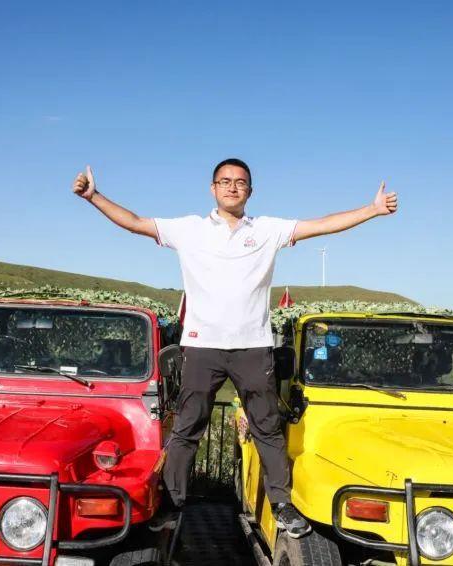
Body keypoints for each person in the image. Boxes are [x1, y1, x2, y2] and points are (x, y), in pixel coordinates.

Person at [72, 158, 397, 538]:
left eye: (240, 182)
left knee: (267, 430)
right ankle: (172, 504)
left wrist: (372, 210)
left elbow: (322, 224)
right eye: (224, 181)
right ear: (213, 188)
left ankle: (282, 505)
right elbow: (135, 222)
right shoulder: (188, 229)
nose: (232, 187)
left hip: (253, 348)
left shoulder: (268, 230)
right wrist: (94, 196)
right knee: (187, 429)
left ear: (250, 191)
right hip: (201, 347)